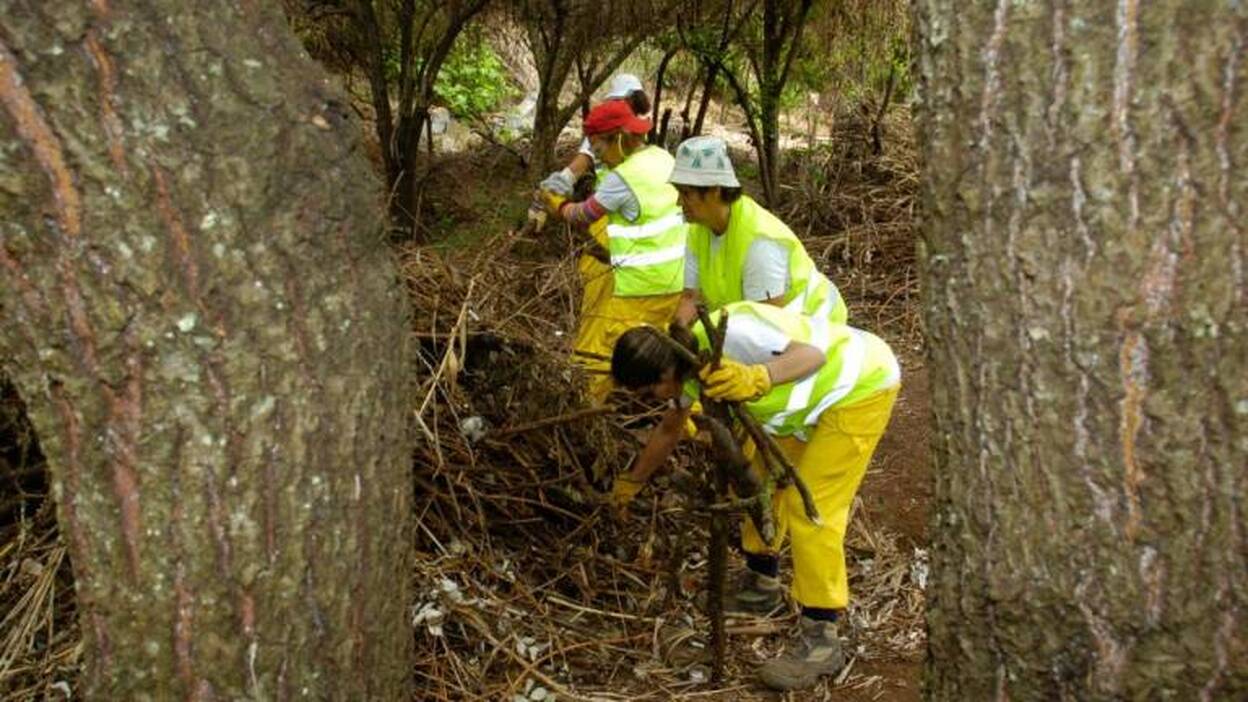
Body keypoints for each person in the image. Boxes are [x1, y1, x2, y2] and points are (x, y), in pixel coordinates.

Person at [608, 301, 900, 691]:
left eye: (651, 389)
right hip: (803, 408)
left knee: (811, 505)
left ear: (664, 370)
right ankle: (762, 584)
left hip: (858, 386)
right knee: (756, 478)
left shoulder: (733, 334)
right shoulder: (685, 369)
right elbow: (669, 429)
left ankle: (822, 632)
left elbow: (811, 356)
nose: (653, 397)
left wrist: (758, 377)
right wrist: (633, 481)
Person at [541, 100, 686, 402]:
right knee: (667, 357)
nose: (600, 158)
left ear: (619, 137)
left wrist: (555, 202)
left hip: (638, 289)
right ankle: (686, 424)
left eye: (600, 148)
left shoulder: (623, 178)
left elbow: (581, 215)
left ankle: (584, 417)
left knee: (599, 354)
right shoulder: (661, 157)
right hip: (675, 283)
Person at [668, 136, 848, 326]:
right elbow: (691, 298)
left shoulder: (760, 243)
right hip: (767, 327)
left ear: (715, 190)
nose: (679, 202)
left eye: (686, 194)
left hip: (817, 328)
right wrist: (675, 335)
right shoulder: (699, 229)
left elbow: (766, 326)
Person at [538, 74, 652, 197]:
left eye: (619, 101)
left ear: (630, 99)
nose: (617, 105)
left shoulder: (639, 127)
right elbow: (580, 163)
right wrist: (560, 183)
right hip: (607, 200)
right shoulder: (603, 131)